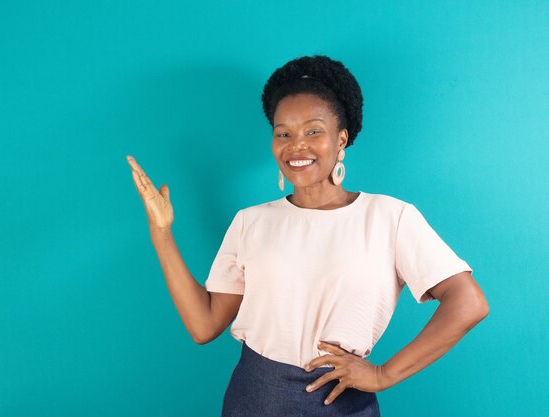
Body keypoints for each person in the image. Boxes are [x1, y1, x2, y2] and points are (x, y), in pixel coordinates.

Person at [126, 54, 489, 417]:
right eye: (283, 133)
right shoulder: (250, 222)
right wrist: (162, 233)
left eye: (313, 131)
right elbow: (204, 326)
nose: (296, 145)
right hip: (255, 397)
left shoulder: (389, 217)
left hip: (340, 402)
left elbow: (468, 301)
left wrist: (384, 374)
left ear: (341, 138)